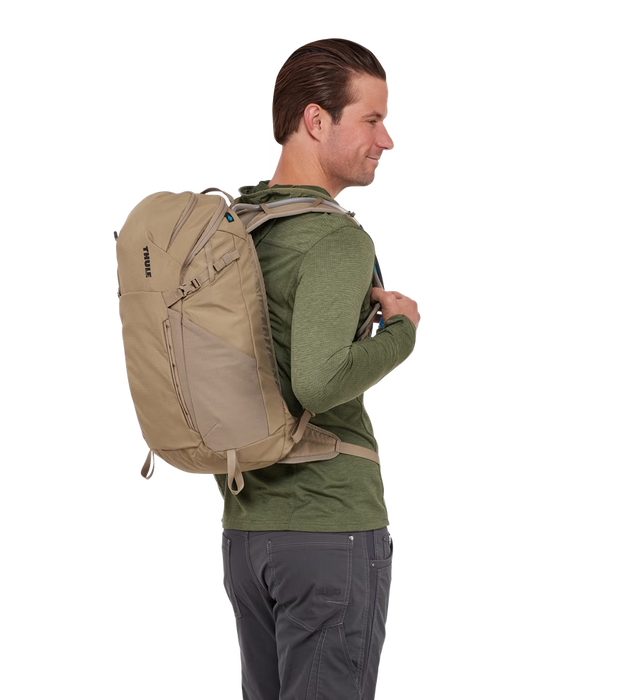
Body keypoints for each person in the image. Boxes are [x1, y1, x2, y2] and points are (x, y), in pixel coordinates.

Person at [214, 35, 421, 700]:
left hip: (249, 533)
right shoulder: (333, 238)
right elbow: (320, 380)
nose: (387, 140)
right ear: (315, 120)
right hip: (329, 532)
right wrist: (403, 331)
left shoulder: (240, 226)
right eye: (372, 119)